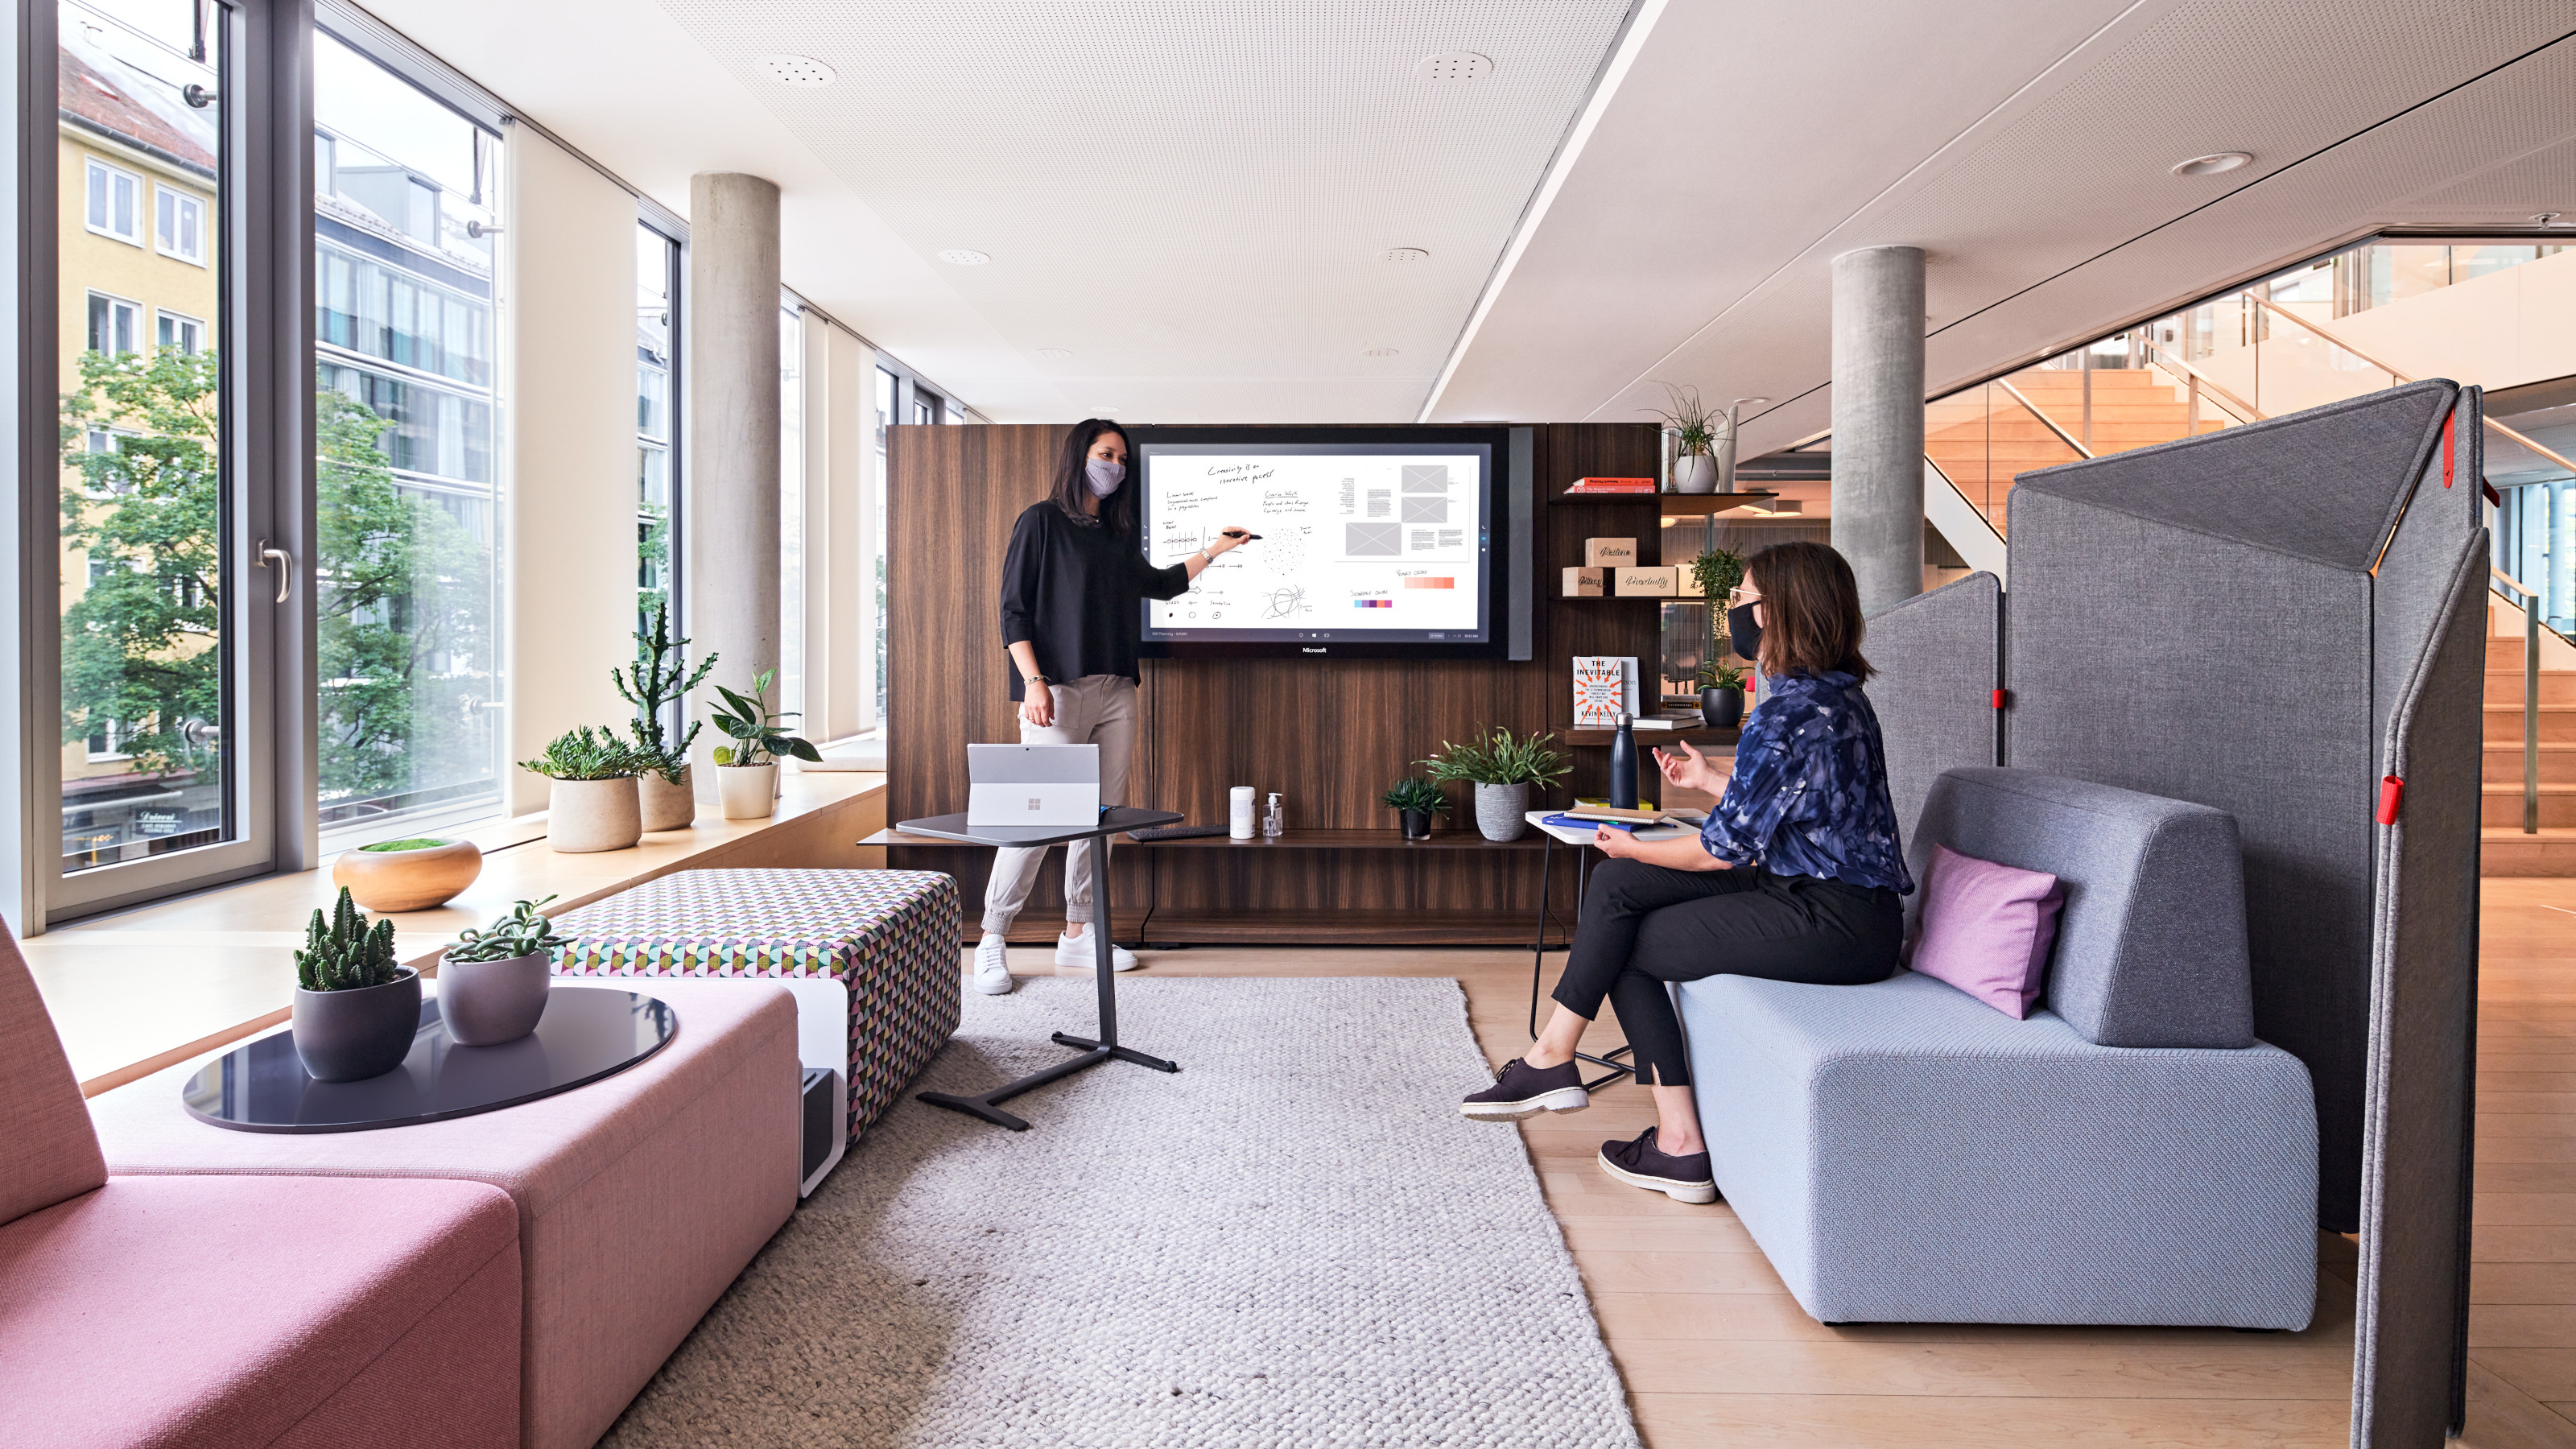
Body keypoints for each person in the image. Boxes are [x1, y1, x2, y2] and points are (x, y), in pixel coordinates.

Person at [1459, 540, 1912, 1203]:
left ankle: (1676, 1144)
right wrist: (1710, 779)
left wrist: (1628, 843)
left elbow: (1719, 853)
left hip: (1834, 919)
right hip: (1819, 892)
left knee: (1628, 941)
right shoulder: (1828, 696)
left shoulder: (1788, 712)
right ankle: (1554, 1057)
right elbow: (1795, 808)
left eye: (1741, 601)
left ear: (1781, 610)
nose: (1733, 613)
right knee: (1616, 889)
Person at [974, 419, 1251, 996]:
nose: (1115, 465)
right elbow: (1013, 612)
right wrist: (1033, 682)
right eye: (1106, 453)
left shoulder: (1117, 534)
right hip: (1057, 690)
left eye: (1122, 457)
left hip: (1117, 691)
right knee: (1036, 818)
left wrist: (1216, 549)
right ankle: (993, 939)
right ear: (1081, 456)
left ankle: (1080, 934)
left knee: (1097, 819)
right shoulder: (1041, 521)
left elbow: (1164, 584)